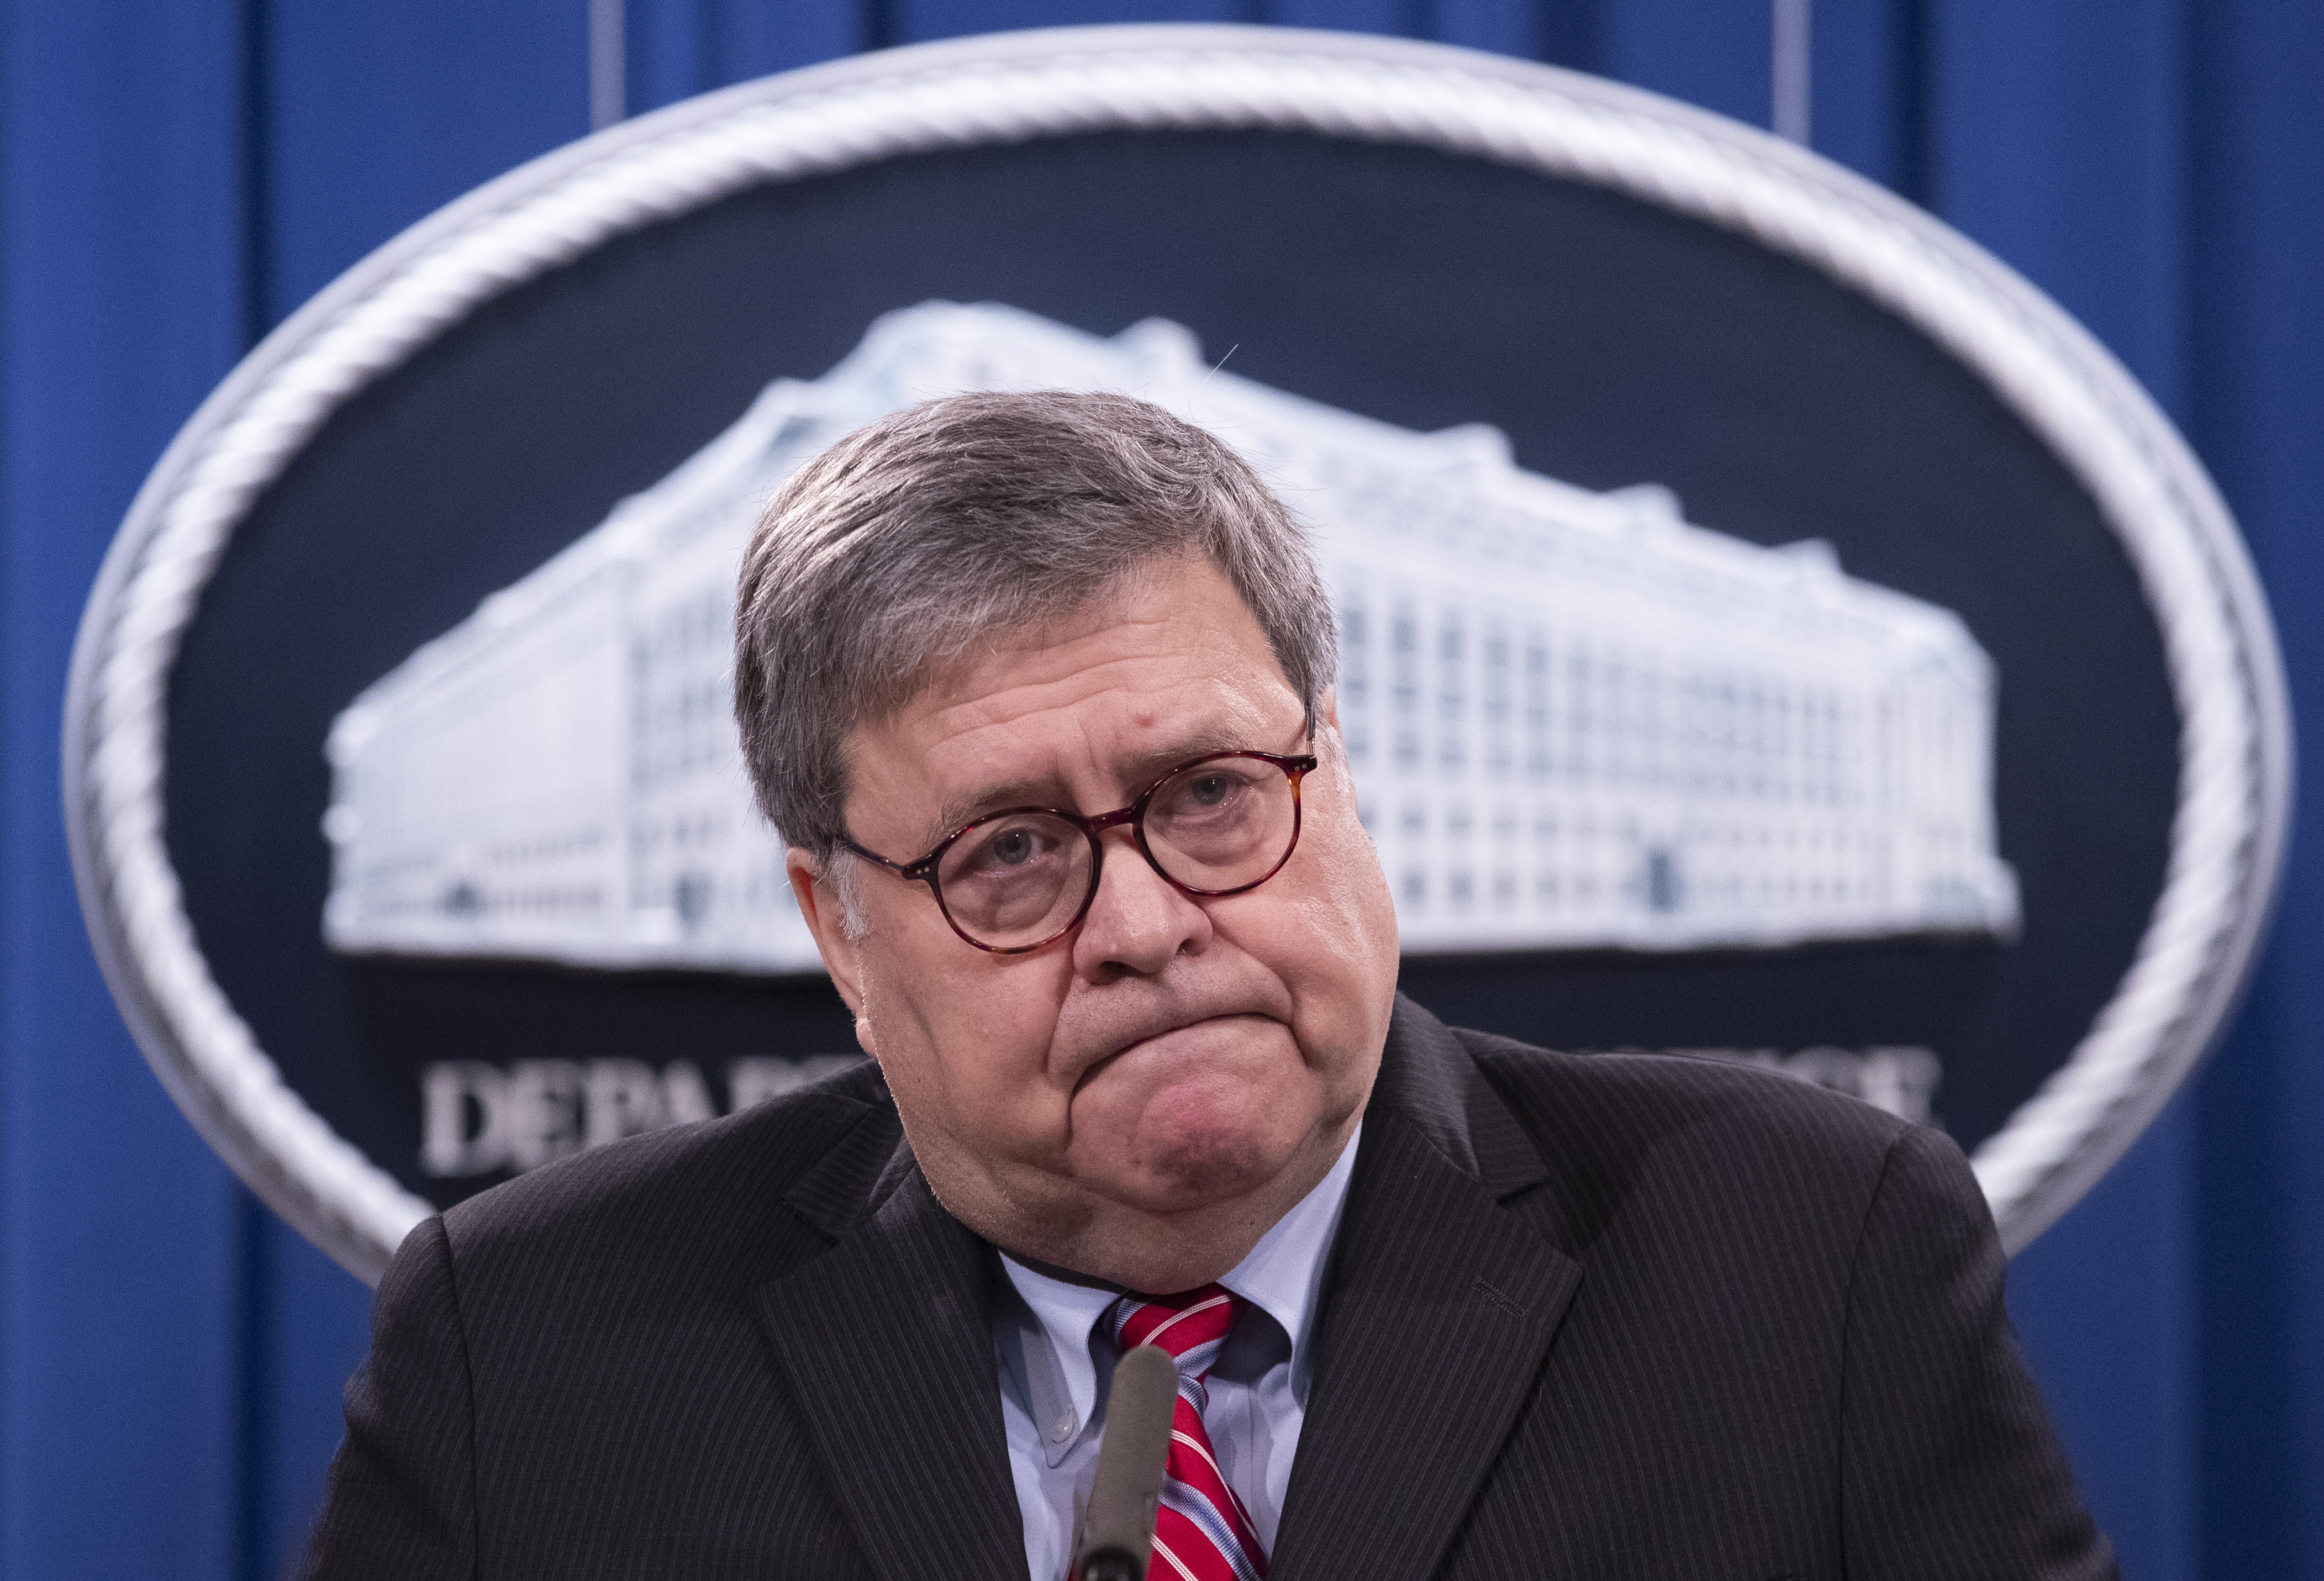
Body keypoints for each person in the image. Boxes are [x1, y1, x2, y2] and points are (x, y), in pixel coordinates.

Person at [303, 391, 2114, 1580]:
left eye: (1211, 797)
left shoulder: (1805, 1256)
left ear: (1334, 763)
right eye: (1011, 850)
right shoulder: (530, 1346)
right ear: (839, 929)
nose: (1150, 920)